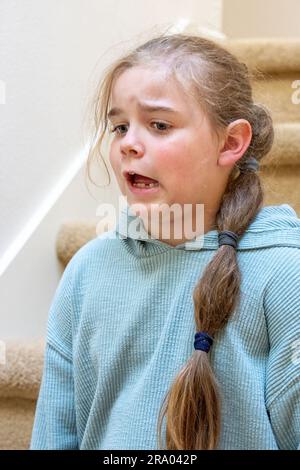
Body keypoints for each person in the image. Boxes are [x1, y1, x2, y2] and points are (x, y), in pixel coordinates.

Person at [30, 33, 300, 450]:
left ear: (230, 143)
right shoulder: (87, 271)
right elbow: (54, 434)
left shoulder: (283, 275)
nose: (128, 144)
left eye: (159, 125)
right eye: (120, 126)